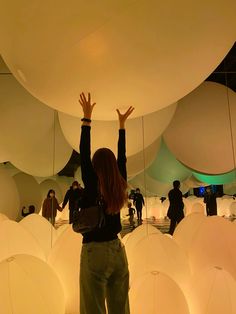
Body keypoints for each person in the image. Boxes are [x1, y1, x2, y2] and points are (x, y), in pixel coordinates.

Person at [78, 92, 133, 314]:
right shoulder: (119, 184)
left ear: (94, 166)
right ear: (113, 167)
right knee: (121, 308)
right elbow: (122, 157)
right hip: (118, 250)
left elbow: (83, 153)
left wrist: (87, 118)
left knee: (93, 308)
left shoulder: (92, 184)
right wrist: (121, 126)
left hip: (95, 252)